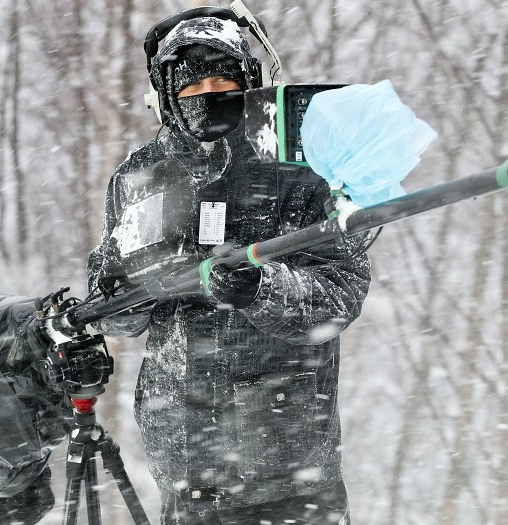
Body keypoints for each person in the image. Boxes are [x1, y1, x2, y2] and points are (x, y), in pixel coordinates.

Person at [85, 11, 371, 524]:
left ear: (250, 81)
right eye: (192, 83)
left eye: (224, 79)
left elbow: (340, 292)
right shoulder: (143, 176)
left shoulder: (298, 166)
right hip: (186, 473)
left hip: (290, 474)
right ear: (167, 94)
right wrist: (115, 290)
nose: (209, 93)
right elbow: (113, 316)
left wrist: (261, 288)